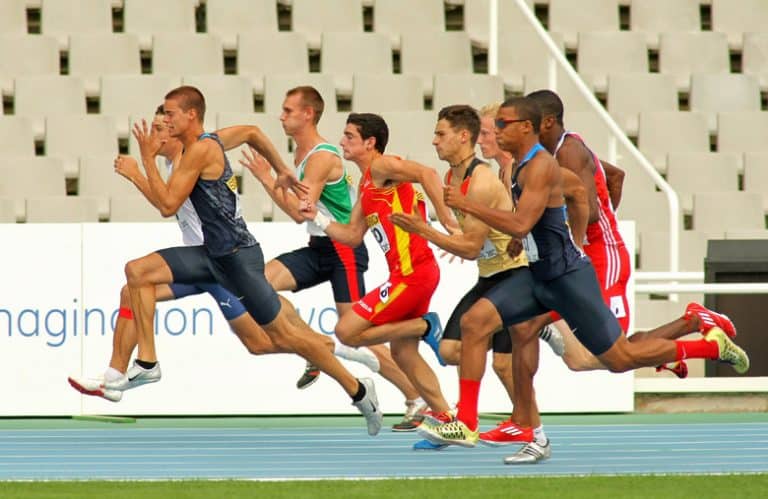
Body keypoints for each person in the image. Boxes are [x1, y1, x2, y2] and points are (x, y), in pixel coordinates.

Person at [417, 96, 749, 455]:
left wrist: (565, 242)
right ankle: (474, 423)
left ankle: (710, 345)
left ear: (525, 128)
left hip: (566, 279)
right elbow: (574, 193)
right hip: (538, 276)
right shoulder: (514, 167)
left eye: (501, 125)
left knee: (617, 359)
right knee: (478, 322)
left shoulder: (542, 165)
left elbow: (527, 218)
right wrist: (529, 240)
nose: (494, 133)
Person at [105, 86, 384, 435]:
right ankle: (140, 364)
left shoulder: (201, 150)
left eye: (169, 117)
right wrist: (283, 169)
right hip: (208, 258)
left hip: (236, 259)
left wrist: (140, 166)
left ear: (190, 116)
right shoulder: (193, 149)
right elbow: (252, 132)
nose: (161, 125)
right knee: (137, 275)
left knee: (278, 337)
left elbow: (166, 205)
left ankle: (356, 386)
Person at [241, 86, 428, 431]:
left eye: (287, 110)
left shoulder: (323, 157)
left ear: (307, 114)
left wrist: (267, 179)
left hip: (344, 249)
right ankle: (317, 345)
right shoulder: (299, 154)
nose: (281, 116)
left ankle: (415, 397)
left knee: (357, 333)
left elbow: (300, 213)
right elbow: (304, 216)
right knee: (258, 286)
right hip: (319, 247)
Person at [291, 112, 456, 439]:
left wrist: (447, 219)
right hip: (409, 274)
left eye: (350, 136)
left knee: (347, 331)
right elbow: (352, 235)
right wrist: (319, 217)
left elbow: (427, 172)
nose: (342, 142)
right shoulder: (367, 186)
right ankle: (447, 419)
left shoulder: (381, 167)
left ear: (370, 143)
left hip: (413, 274)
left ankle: (427, 326)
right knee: (403, 353)